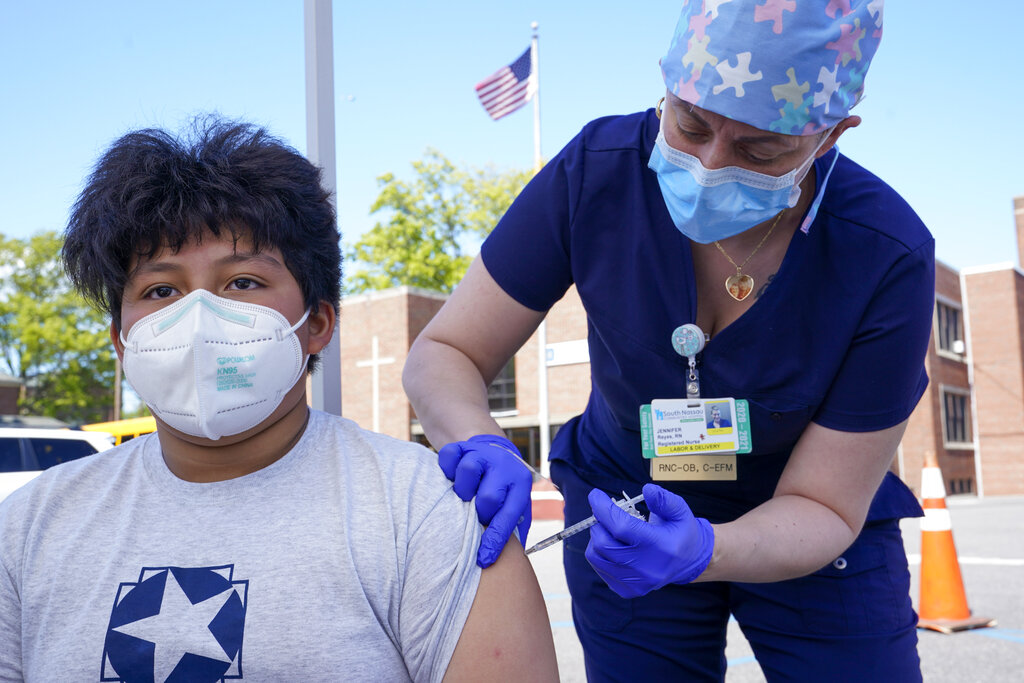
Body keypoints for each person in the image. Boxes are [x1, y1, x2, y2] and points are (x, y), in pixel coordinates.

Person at [403, 2, 933, 681]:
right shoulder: (597, 173)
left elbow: (825, 503)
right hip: (624, 512)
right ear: (667, 83)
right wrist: (475, 437)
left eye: (759, 148)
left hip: (813, 537)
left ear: (829, 137)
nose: (709, 164)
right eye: (690, 122)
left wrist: (706, 547)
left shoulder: (885, 255)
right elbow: (444, 353)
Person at [0, 118, 558, 682]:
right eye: (160, 290)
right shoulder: (28, 530)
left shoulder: (427, 514)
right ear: (122, 341)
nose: (197, 317)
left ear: (316, 323)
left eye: (242, 282)